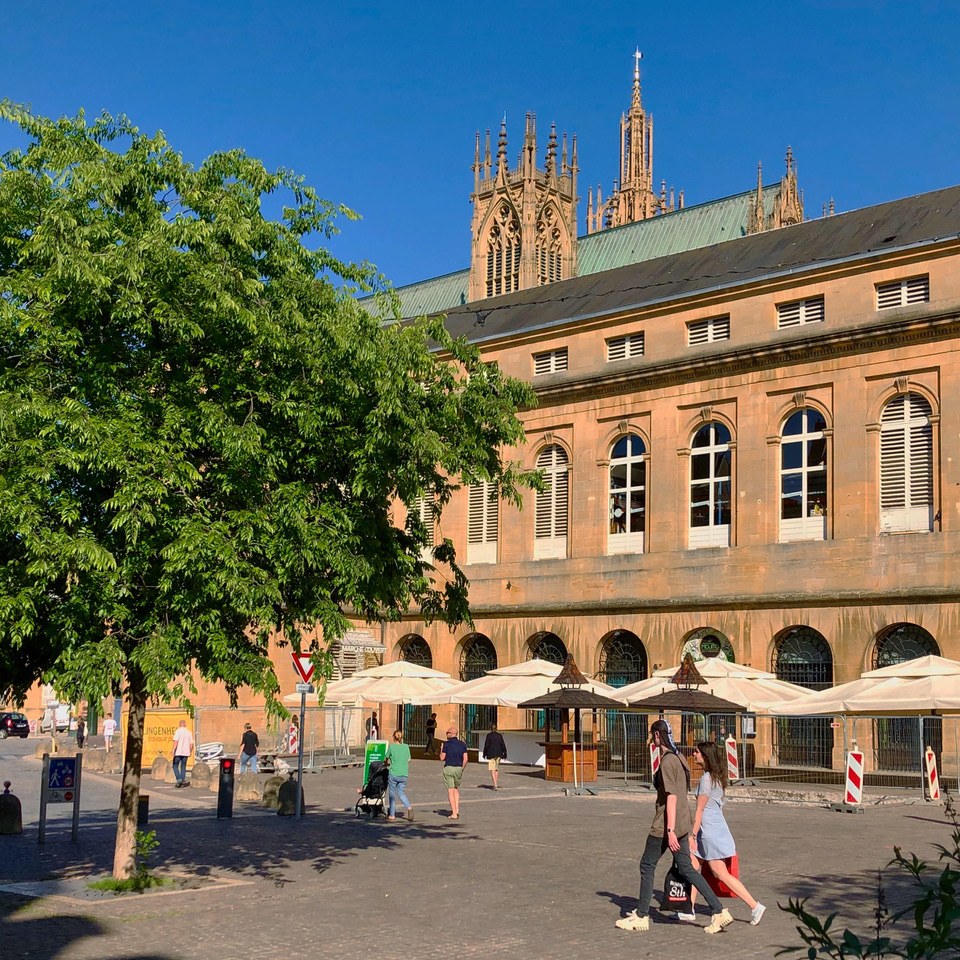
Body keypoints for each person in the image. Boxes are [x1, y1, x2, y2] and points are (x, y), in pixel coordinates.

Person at [616, 719, 732, 935]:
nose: (652, 739)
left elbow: (671, 797)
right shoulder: (680, 758)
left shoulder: (668, 761)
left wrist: (669, 831)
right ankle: (718, 911)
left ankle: (642, 915)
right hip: (682, 821)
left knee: (647, 865)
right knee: (687, 868)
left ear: (658, 736)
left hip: (665, 823)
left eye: (653, 735)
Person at [682, 741, 765, 925]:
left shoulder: (706, 780)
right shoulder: (716, 778)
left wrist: (692, 835)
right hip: (714, 829)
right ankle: (689, 908)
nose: (694, 754)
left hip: (709, 831)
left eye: (696, 752)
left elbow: (700, 810)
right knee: (694, 866)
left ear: (705, 756)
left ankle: (755, 906)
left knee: (719, 873)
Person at [439, 726, 468, 818]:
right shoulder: (462, 744)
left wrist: (441, 749)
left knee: (450, 790)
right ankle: (457, 809)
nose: (446, 734)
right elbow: (466, 759)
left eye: (447, 732)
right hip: (458, 768)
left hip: (449, 768)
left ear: (451, 733)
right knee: (456, 788)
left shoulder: (446, 744)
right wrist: (462, 768)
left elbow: (442, 758)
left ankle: (454, 813)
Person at [385, 729, 414, 821]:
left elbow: (386, 758)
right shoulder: (406, 747)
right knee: (401, 793)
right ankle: (409, 807)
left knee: (392, 794)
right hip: (404, 773)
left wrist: (386, 763)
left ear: (393, 737)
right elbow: (409, 759)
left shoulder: (391, 747)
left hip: (394, 773)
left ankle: (392, 815)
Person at [482, 722, 507, 790]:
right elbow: (503, 745)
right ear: (496, 728)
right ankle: (496, 783)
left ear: (490, 728)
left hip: (491, 754)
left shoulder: (489, 736)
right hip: (498, 754)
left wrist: (484, 754)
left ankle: (495, 785)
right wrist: (505, 754)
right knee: (496, 769)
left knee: (492, 769)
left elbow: (486, 745)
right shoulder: (499, 735)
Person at [171, 719, 194, 788]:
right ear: (185, 724)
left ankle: (179, 778)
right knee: (183, 766)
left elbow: (176, 741)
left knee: (175, 765)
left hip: (178, 751)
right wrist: (190, 751)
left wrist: (173, 750)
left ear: (180, 724)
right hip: (186, 752)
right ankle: (182, 778)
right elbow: (191, 744)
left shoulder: (178, 731)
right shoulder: (189, 732)